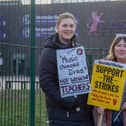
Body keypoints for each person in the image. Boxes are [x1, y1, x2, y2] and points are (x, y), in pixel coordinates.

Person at [39, 12, 94, 126]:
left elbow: (87, 77)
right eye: (64, 25)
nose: (68, 29)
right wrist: (65, 99)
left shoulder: (79, 50)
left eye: (71, 26)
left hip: (84, 112)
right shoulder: (49, 51)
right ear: (57, 28)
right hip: (63, 114)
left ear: (75, 29)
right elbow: (46, 82)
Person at [94, 34, 126, 126]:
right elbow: (96, 91)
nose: (121, 49)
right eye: (119, 45)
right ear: (113, 48)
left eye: (125, 46)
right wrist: (98, 105)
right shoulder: (104, 66)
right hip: (109, 115)